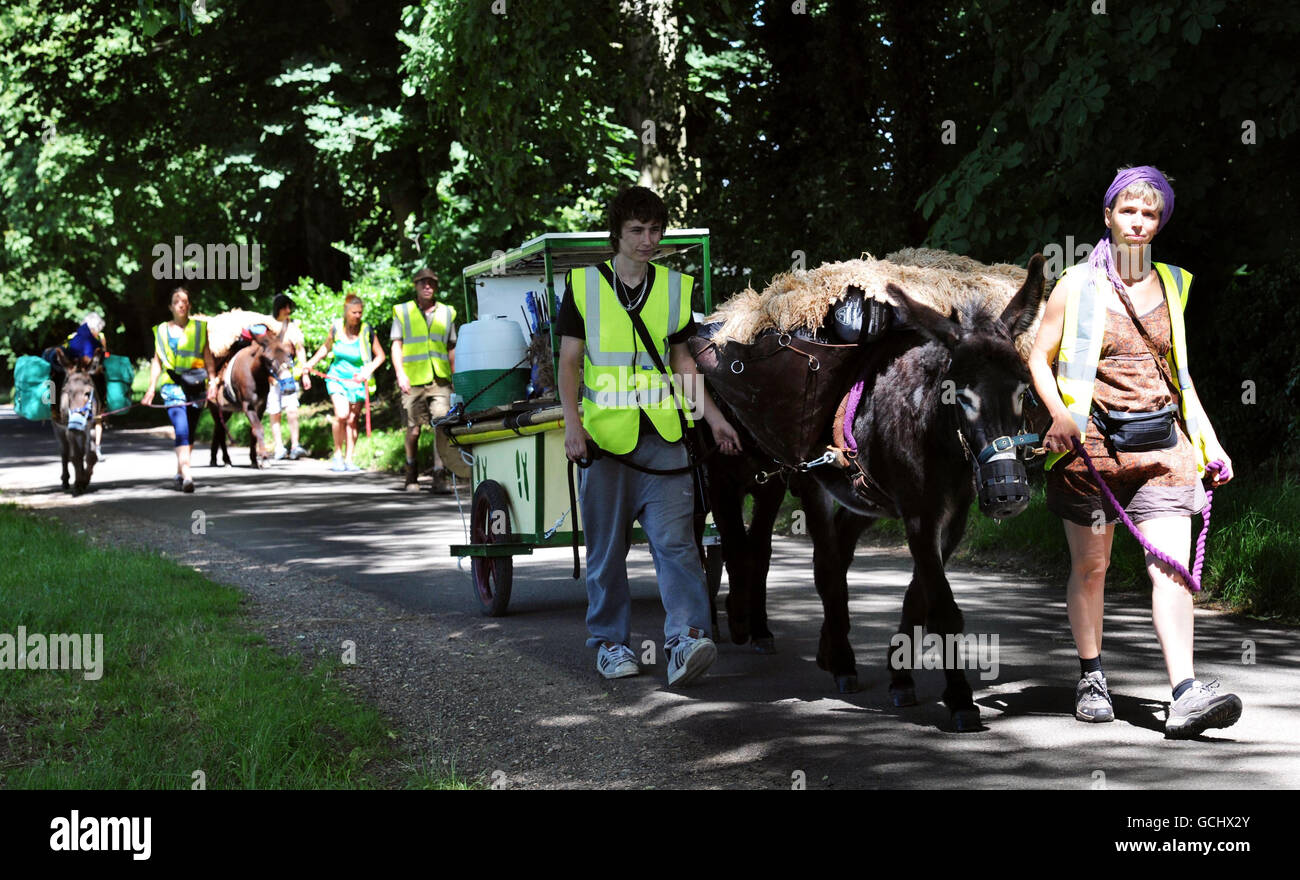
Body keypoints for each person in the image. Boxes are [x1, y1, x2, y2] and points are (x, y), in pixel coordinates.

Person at [1028, 166, 1241, 738]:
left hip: (1163, 445)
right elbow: (1038, 356)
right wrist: (1059, 416)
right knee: (1092, 567)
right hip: (1090, 450)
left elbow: (1181, 376)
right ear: (1108, 216)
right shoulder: (1077, 283)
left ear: (1160, 221)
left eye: (1149, 213)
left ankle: (1185, 692)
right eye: (1128, 211)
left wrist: (1209, 441)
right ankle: (1092, 676)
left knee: (1171, 569)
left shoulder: (1173, 283)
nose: (1139, 222)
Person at [557, 186, 741, 686]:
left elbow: (682, 362)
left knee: (677, 543)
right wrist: (572, 425)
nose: (646, 239)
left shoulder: (674, 288)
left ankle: (684, 640)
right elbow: (569, 364)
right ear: (616, 233)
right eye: (636, 230)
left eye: (654, 230)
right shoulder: (582, 286)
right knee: (606, 550)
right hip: (603, 439)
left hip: (663, 434)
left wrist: (714, 419)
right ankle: (611, 645)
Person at [141, 287, 217, 493]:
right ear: (171, 307)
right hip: (172, 386)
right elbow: (157, 362)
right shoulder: (162, 331)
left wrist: (213, 382)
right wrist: (150, 389)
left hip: (196, 386)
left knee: (190, 430)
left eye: (185, 301)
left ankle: (179, 470)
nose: (181, 304)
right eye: (177, 301)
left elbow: (208, 356)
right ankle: (188, 475)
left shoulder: (200, 328)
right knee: (181, 429)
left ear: (189, 306)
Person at [391, 268, 457, 492]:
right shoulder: (403, 312)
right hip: (412, 378)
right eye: (422, 283)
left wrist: (455, 376)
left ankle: (440, 475)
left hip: (440, 378)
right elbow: (396, 345)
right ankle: (411, 473)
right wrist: (400, 374)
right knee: (414, 429)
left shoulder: (447, 312)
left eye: (431, 283)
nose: (427, 286)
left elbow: (451, 347)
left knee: (441, 424)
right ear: (416, 286)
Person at [304, 292, 385, 472]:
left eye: (360, 312)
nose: (358, 316)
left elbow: (380, 356)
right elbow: (325, 348)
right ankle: (338, 455)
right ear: (346, 312)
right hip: (337, 378)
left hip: (357, 381)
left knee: (352, 420)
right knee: (341, 414)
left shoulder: (367, 330)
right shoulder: (336, 328)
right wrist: (309, 365)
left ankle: (349, 458)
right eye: (354, 312)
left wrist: (367, 370)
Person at [266, 293, 311, 461]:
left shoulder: (293, 328)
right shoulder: (269, 327)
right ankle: (279, 447)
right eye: (284, 307)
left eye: (289, 307)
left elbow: (299, 350)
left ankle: (295, 445)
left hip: (289, 373)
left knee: (292, 409)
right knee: (274, 411)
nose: (288, 310)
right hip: (271, 376)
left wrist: (305, 372)